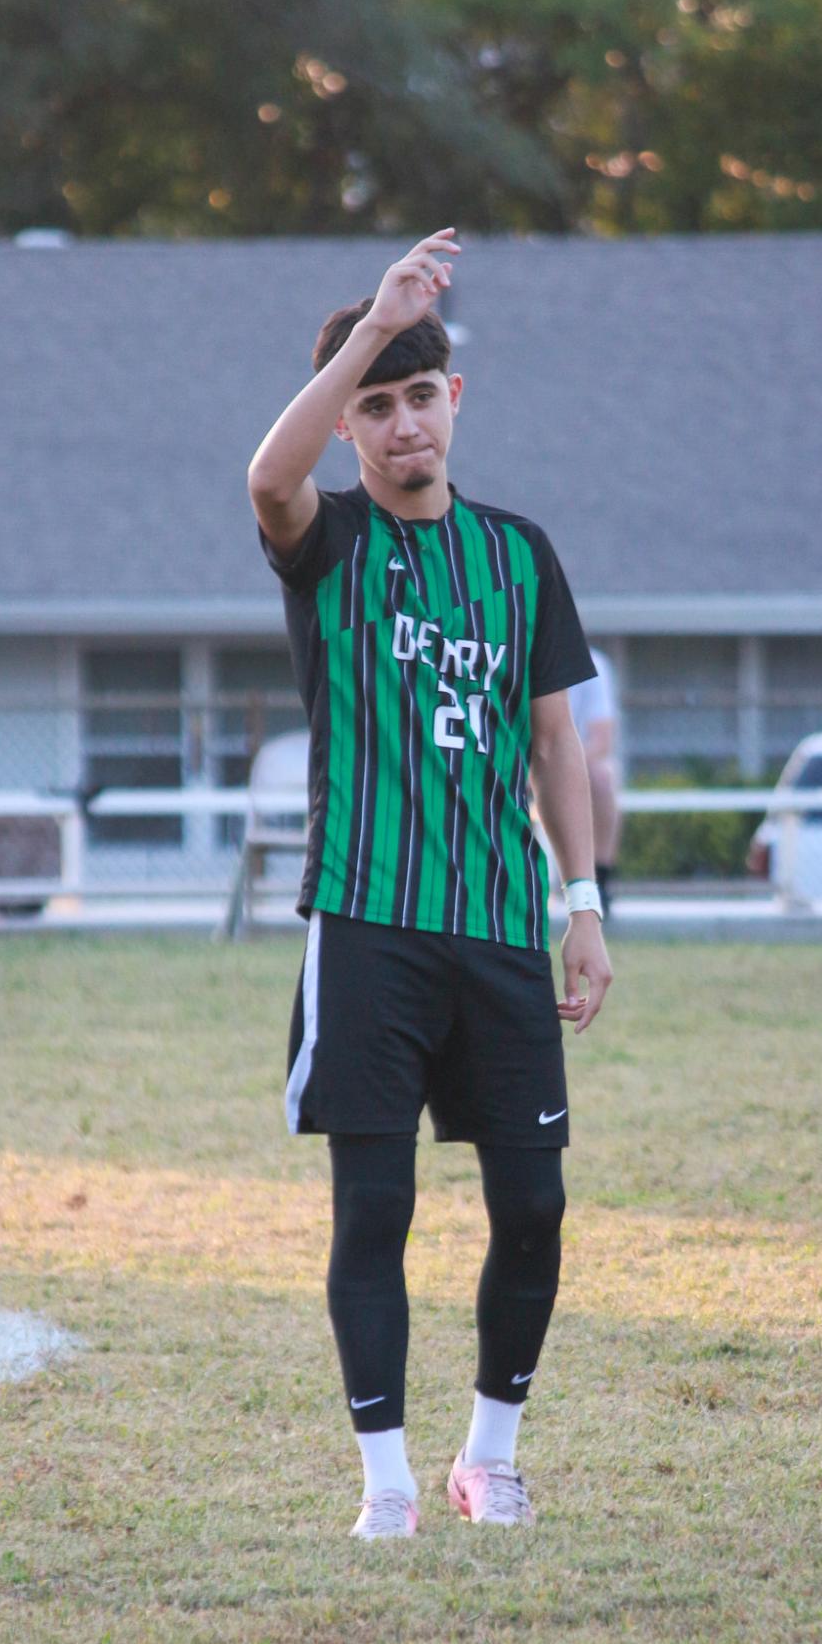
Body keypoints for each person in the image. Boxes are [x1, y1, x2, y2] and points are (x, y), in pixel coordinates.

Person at [248, 228, 612, 1540]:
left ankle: (489, 1455)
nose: (403, 425)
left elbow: (552, 739)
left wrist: (582, 906)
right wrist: (364, 328)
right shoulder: (326, 540)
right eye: (377, 405)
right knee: (377, 1207)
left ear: (454, 402)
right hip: (366, 921)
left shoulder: (518, 556)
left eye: (420, 396)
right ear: (350, 422)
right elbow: (263, 475)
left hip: (500, 926)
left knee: (532, 1202)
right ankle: (386, 1483)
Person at [568, 646, 622, 918]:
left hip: (563, 765)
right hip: (521, 764)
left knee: (602, 776)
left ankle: (600, 879)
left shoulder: (591, 664)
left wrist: (560, 767)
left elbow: (602, 740)